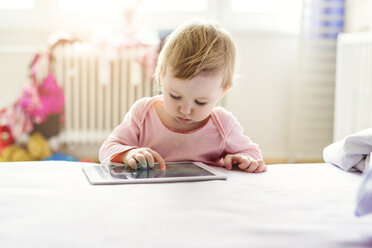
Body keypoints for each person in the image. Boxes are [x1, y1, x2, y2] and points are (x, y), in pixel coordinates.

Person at [99, 20, 267, 173]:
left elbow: (252, 154)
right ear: (162, 76)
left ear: (223, 90)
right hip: (151, 197)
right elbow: (108, 149)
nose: (185, 110)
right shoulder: (143, 113)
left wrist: (243, 159)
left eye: (201, 102)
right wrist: (128, 153)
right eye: (175, 96)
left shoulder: (223, 125)